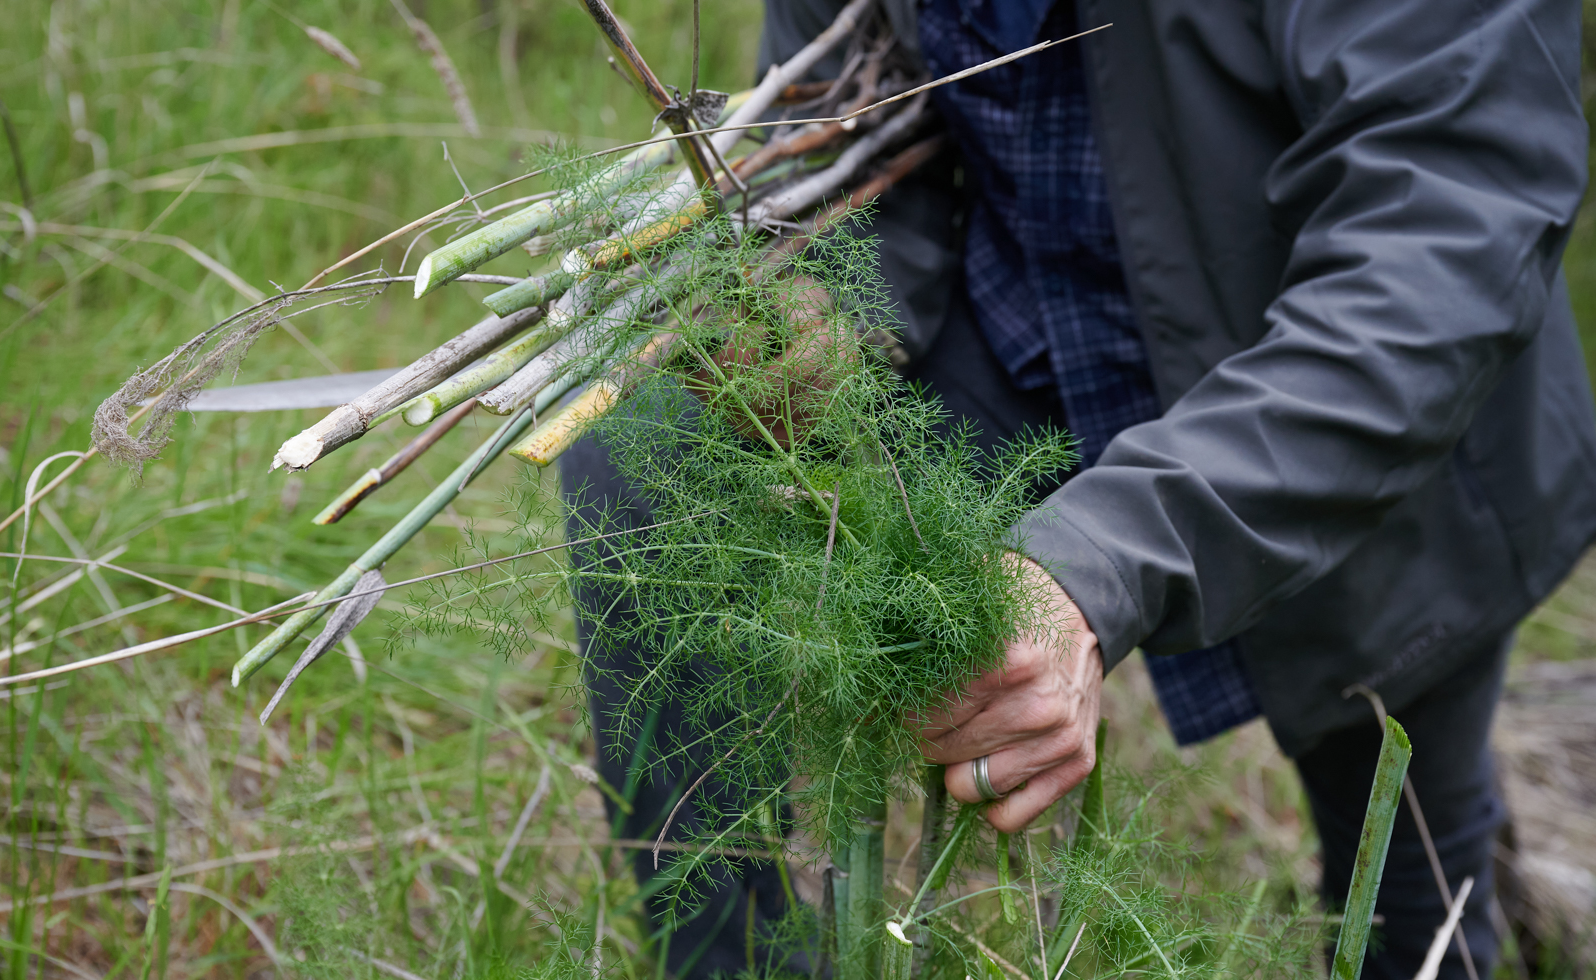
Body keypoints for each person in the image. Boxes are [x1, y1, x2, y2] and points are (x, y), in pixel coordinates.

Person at [562, 0, 1596, 976]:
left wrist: (1101, 557)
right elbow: (848, 140)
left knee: (1398, 825)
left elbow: (1441, 247)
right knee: (648, 439)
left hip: (1350, 399)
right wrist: (829, 305)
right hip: (1033, 337)